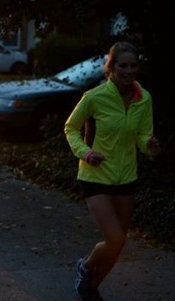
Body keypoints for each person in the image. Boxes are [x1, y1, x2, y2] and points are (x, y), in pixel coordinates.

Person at [64, 41, 161, 301]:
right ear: (111, 68)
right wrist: (86, 152)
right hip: (95, 176)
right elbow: (70, 128)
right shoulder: (94, 97)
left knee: (118, 245)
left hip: (126, 177)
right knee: (115, 239)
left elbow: (143, 136)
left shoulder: (145, 98)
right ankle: (84, 267)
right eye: (123, 65)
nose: (129, 70)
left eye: (133, 65)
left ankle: (90, 288)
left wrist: (149, 145)